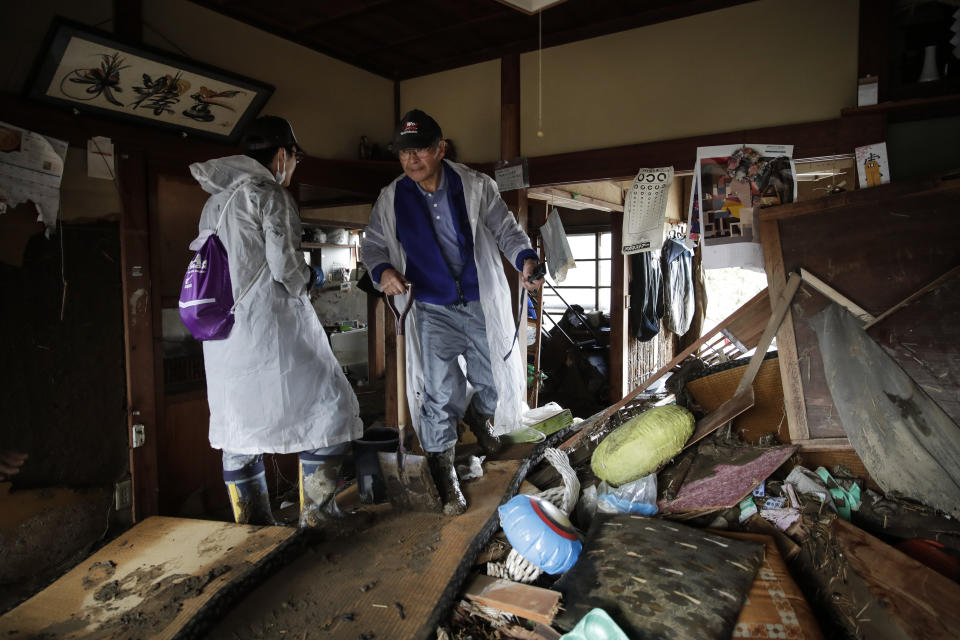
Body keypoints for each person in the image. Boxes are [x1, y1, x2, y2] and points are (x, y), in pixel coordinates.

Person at [361, 109, 543, 515]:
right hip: (429, 307)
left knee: (492, 379)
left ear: (440, 149)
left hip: (479, 302)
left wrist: (525, 261)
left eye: (421, 149)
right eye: (403, 152)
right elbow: (371, 246)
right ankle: (445, 477)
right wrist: (383, 270)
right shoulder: (392, 197)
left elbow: (506, 230)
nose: (412, 160)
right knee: (439, 392)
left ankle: (479, 420)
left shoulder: (475, 186)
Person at [189, 116, 362, 527]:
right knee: (332, 411)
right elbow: (287, 270)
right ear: (281, 155)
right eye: (295, 157)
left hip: (223, 337)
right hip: (270, 331)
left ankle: (253, 529)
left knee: (238, 431)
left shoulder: (214, 203)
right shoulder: (268, 193)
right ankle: (318, 517)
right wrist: (313, 276)